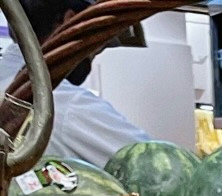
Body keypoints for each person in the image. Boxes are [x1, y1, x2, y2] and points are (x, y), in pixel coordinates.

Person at [2, 0, 149, 166]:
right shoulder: (65, 105)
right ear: (71, 21)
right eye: (99, 46)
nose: (93, 57)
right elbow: (158, 169)